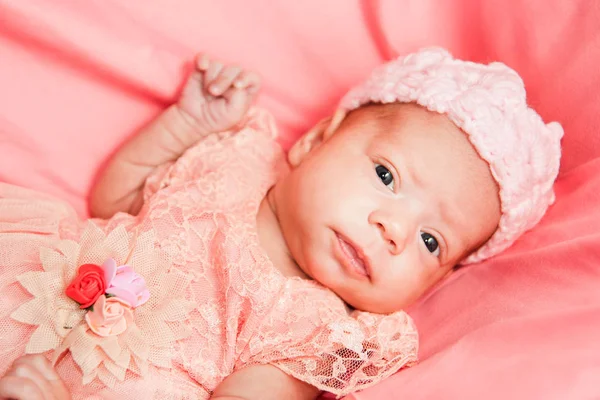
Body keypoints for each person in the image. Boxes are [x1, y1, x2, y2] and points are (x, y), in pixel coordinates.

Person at [0, 48, 562, 400]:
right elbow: (113, 198)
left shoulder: (320, 328)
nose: (393, 229)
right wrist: (187, 123)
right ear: (318, 139)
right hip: (40, 288)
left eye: (430, 240)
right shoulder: (236, 157)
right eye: (388, 177)